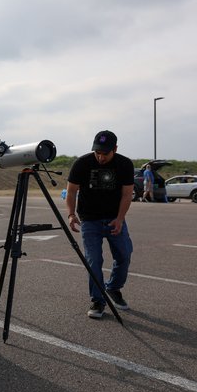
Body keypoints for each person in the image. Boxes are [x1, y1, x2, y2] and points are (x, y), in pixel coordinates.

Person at [65, 130, 134, 319]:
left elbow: (127, 194)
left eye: (105, 153)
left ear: (115, 149)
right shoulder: (82, 163)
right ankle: (98, 299)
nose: (101, 157)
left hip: (114, 218)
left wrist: (120, 219)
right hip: (90, 220)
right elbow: (71, 192)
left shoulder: (124, 164)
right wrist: (71, 214)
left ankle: (113, 288)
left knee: (124, 255)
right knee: (94, 260)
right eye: (98, 153)